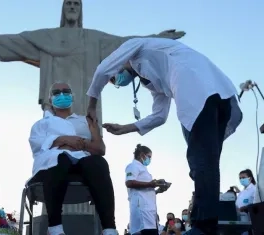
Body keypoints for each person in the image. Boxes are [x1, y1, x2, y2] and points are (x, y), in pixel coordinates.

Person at [86, 37, 243, 235]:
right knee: (206, 164)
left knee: (200, 161)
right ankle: (206, 223)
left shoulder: (136, 45)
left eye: (114, 76)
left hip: (198, 92)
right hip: (218, 96)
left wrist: (91, 105)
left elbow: (102, 70)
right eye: (113, 81)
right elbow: (160, 115)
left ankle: (204, 226)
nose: (116, 78)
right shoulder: (152, 78)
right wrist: (125, 128)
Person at [28, 81, 117, 235]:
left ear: (72, 96)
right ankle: (55, 227)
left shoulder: (85, 121)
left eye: (65, 91)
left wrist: (80, 144)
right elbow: (37, 145)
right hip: (53, 165)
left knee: (99, 163)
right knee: (59, 158)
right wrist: (64, 139)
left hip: (83, 163)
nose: (61, 94)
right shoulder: (42, 124)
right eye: (56, 92)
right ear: (50, 99)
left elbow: (100, 149)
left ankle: (109, 228)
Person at [125, 144, 169, 235]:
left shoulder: (143, 169)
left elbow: (145, 191)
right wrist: (150, 184)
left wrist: (157, 190)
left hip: (150, 211)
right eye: (149, 157)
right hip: (142, 210)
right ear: (142, 155)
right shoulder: (133, 166)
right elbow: (129, 183)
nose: (149, 159)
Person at [233, 169, 257, 235]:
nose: (241, 179)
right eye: (240, 178)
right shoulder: (242, 192)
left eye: (243, 177)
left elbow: (256, 204)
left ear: (250, 178)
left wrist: (245, 208)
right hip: (240, 221)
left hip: (250, 222)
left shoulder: (255, 189)